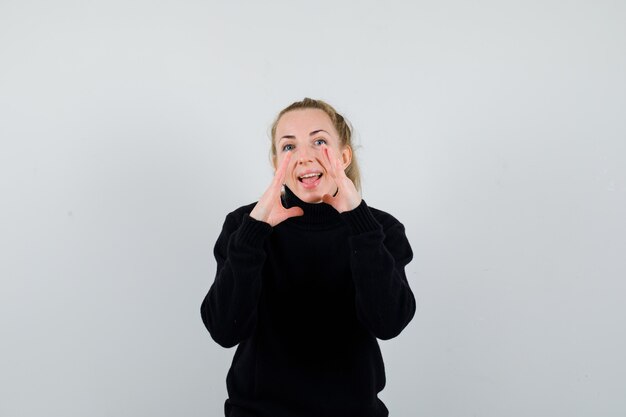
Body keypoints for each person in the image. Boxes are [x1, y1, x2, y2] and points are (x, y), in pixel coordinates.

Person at [201, 98, 416, 417]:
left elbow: (388, 323)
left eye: (319, 141)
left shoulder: (380, 229)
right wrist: (253, 233)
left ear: (343, 156)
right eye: (289, 147)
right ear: (277, 163)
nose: (304, 156)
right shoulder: (244, 226)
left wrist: (359, 223)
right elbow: (224, 330)